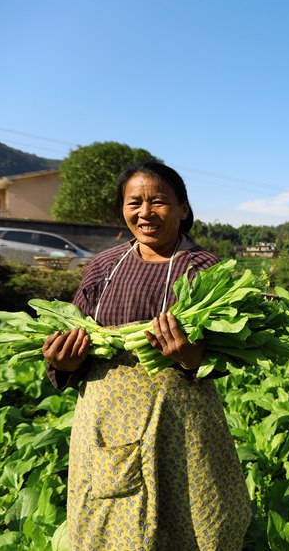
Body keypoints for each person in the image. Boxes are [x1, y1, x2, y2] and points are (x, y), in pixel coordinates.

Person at [42, 161, 251, 550]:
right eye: (134, 202)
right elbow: (76, 333)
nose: (145, 212)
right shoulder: (104, 266)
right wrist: (65, 362)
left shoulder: (206, 269)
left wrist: (190, 357)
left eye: (158, 201)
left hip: (183, 424)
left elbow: (226, 355)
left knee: (197, 528)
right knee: (108, 529)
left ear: (183, 208)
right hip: (106, 422)